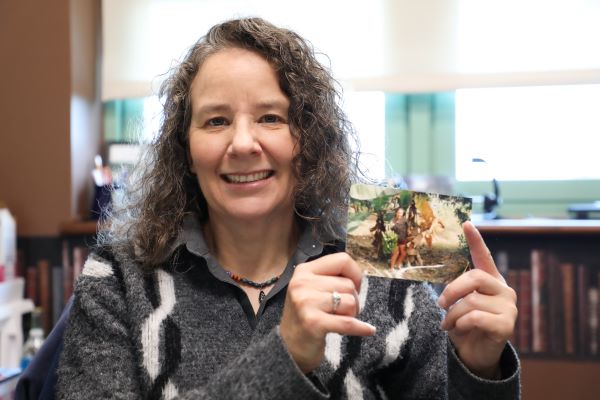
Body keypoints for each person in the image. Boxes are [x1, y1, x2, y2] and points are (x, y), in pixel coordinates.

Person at [57, 17, 520, 399]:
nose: (242, 143)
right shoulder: (119, 277)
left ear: (309, 139)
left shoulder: (390, 241)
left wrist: (479, 366)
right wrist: (286, 356)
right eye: (216, 120)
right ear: (185, 148)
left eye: (270, 118)